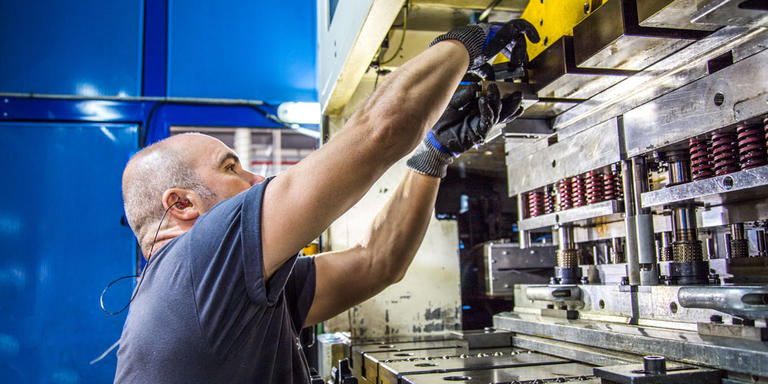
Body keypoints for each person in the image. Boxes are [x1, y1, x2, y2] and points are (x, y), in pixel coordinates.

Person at [114, 19, 538, 383]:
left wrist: (433, 155)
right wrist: (469, 41)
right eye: (230, 169)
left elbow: (378, 262)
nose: (256, 178)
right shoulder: (197, 262)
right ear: (182, 205)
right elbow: (379, 132)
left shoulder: (221, 288)